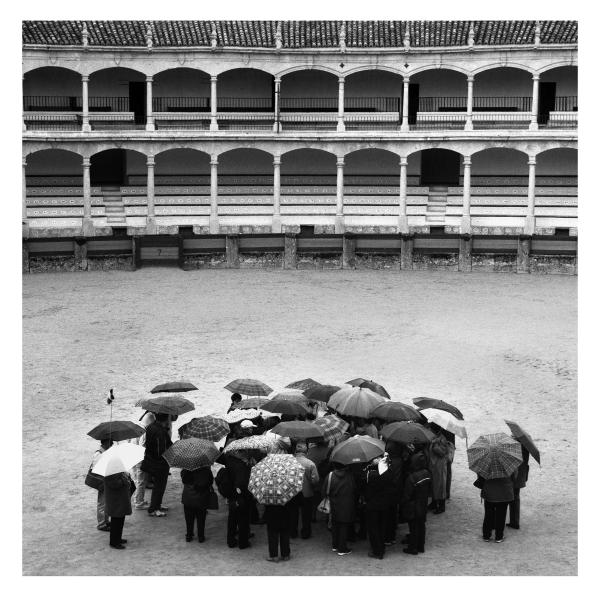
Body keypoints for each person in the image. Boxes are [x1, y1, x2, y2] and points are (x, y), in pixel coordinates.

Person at [219, 451, 254, 549]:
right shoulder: (241, 466)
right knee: (243, 520)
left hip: (232, 495)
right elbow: (242, 483)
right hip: (241, 496)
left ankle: (231, 541)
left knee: (232, 519)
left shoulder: (229, 461)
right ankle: (243, 543)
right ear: (240, 453)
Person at [141, 413, 173, 517]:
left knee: (158, 486)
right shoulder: (160, 431)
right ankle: (154, 509)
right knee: (159, 486)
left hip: (150, 460)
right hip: (159, 464)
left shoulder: (150, 427)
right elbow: (160, 451)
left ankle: (157, 505)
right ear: (165, 419)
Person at [401, 451, 432, 555]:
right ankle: (420, 546)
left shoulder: (412, 477)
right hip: (423, 504)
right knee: (421, 526)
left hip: (413, 506)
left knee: (413, 527)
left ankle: (413, 548)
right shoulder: (427, 474)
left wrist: (403, 503)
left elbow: (407, 495)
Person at [325, 463, 356, 556]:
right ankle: (342, 548)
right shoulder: (350, 476)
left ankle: (335, 545)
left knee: (334, 525)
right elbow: (354, 489)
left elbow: (325, 490)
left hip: (334, 504)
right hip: (347, 505)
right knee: (344, 526)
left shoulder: (330, 476)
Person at [474, 473, 515, 543]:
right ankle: (499, 536)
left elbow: (480, 475)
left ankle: (486, 535)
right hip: (504, 492)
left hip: (489, 491)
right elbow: (514, 477)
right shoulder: (508, 464)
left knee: (488, 514)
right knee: (501, 515)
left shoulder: (486, 463)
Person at [290, 442, 319, 539]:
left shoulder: (289, 462)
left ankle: (292, 532)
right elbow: (315, 480)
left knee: (293, 513)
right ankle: (305, 533)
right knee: (306, 514)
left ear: (296, 451)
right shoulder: (310, 463)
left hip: (293, 492)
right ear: (306, 451)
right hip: (307, 492)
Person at [181, 466, 214, 542]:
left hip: (188, 498)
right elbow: (210, 482)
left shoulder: (186, 470)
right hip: (201, 498)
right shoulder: (206, 471)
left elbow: (184, 480)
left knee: (189, 518)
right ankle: (201, 536)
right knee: (201, 518)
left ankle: (189, 536)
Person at [104, 470, 134, 549]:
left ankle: (118, 538)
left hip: (119, 499)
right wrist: (125, 479)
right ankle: (114, 542)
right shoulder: (110, 471)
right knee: (116, 521)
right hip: (115, 500)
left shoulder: (117, 469)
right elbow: (115, 484)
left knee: (120, 520)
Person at [132, 411, 155, 510]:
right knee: (141, 481)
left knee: (137, 479)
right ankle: (139, 502)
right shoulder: (144, 431)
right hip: (139, 459)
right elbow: (143, 446)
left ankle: (138, 499)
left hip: (132, 456)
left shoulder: (136, 426)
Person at [91, 438, 113, 531]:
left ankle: (105, 521)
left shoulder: (105, 452)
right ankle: (101, 524)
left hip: (106, 480)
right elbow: (97, 469)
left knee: (106, 502)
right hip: (102, 481)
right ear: (105, 443)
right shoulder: (99, 454)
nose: (112, 444)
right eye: (110, 442)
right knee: (102, 503)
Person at [427, 424, 449, 514]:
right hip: (434, 466)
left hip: (439, 466)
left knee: (440, 486)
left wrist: (434, 445)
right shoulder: (434, 437)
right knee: (433, 485)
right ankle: (434, 502)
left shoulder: (442, 439)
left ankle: (441, 506)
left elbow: (442, 452)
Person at [507, 446, 530, 529]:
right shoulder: (526, 446)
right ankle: (515, 521)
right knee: (516, 498)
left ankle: (500, 522)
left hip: (513, 475)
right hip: (521, 475)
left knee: (506, 498)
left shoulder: (513, 446)